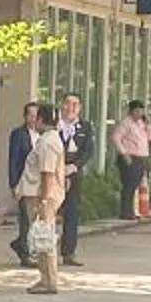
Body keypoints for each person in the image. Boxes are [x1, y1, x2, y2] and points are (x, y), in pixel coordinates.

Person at [19, 102, 67, 295]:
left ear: (41, 119)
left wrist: (44, 200)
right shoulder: (51, 139)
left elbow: (46, 173)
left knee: (43, 237)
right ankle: (46, 278)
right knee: (43, 236)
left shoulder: (47, 142)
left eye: (35, 117)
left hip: (42, 194)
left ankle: (48, 279)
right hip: (44, 193)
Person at [58, 96, 94, 266]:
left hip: (73, 174)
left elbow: (88, 151)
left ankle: (68, 252)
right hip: (53, 173)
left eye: (75, 105)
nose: (70, 108)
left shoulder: (85, 127)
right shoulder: (55, 125)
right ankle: (40, 249)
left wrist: (75, 166)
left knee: (72, 213)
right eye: (67, 104)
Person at [113, 102, 151, 218]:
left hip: (141, 157)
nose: (140, 113)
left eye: (141, 111)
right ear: (131, 111)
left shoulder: (142, 123)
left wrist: (148, 125)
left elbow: (149, 137)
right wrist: (124, 153)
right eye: (137, 111)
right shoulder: (126, 123)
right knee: (128, 185)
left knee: (135, 185)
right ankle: (125, 212)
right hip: (130, 157)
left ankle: (132, 210)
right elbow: (116, 137)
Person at [7, 112, 39, 264]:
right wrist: (13, 183)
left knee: (35, 218)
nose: (34, 119)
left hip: (39, 182)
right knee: (25, 218)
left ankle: (21, 243)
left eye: (36, 115)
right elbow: (13, 159)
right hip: (24, 181)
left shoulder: (44, 135)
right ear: (25, 117)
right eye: (31, 115)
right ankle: (25, 254)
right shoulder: (18, 134)